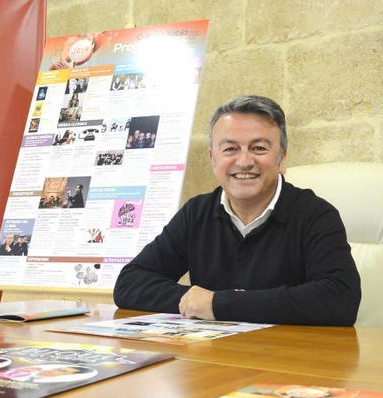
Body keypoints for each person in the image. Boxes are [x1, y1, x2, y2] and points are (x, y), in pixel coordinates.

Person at [113, 95, 361, 325]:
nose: (244, 161)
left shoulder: (314, 215)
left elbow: (340, 299)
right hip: (215, 360)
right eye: (230, 149)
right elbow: (130, 283)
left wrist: (219, 304)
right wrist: (194, 301)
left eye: (259, 148)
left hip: (287, 360)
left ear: (282, 158)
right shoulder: (196, 213)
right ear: (213, 158)